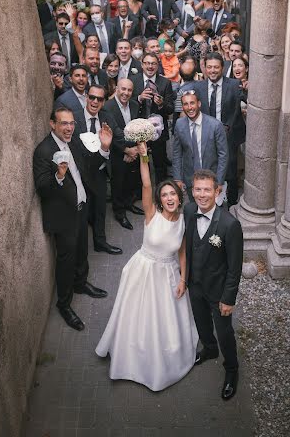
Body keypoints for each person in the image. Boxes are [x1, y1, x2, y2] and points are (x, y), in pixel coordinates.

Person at [96, 141, 198, 391]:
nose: (169, 198)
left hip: (168, 275)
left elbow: (183, 253)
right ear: (159, 201)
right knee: (137, 316)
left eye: (172, 193)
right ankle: (130, 358)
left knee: (165, 320)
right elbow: (147, 184)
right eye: (164, 195)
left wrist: (184, 280)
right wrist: (143, 158)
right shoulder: (151, 213)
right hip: (142, 271)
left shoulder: (184, 222)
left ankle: (165, 361)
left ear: (178, 196)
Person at [33, 107, 111, 330]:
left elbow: (89, 167)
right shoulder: (43, 151)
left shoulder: (74, 141)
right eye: (64, 123)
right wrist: (58, 175)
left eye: (71, 123)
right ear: (52, 124)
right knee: (66, 259)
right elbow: (42, 189)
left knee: (82, 249)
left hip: (81, 205)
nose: (69, 128)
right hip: (63, 215)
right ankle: (64, 304)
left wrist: (104, 148)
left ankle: (80, 283)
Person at [184, 169, 243, 400]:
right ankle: (209, 348)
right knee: (201, 322)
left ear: (217, 191)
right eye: (197, 189)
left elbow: (234, 267)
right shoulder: (189, 211)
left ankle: (231, 369)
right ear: (192, 191)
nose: (202, 194)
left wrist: (228, 298)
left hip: (219, 292)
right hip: (195, 285)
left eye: (207, 189)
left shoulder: (230, 225)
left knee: (225, 332)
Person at [73, 84, 123, 255]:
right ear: (86, 97)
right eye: (92, 97)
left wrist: (139, 140)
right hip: (80, 174)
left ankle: (100, 242)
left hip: (100, 172)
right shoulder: (75, 118)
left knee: (100, 210)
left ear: (103, 101)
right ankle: (81, 251)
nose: (95, 101)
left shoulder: (107, 117)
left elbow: (119, 136)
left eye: (99, 99)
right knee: (82, 213)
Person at [193, 53, 246, 207]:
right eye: (209, 67)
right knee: (209, 167)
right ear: (205, 68)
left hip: (229, 134)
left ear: (222, 68)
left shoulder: (235, 85)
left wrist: (227, 127)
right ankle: (209, 201)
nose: (212, 70)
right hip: (206, 134)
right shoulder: (199, 87)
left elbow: (242, 105)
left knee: (230, 169)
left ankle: (231, 202)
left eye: (216, 67)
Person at [173, 91, 228, 201]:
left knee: (212, 212)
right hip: (190, 179)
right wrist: (177, 178)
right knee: (194, 209)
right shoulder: (179, 124)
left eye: (192, 103)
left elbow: (223, 155)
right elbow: (177, 154)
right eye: (185, 104)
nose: (189, 107)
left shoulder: (215, 125)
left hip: (211, 180)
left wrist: (220, 181)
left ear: (199, 104)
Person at [103, 78, 143, 229]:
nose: (126, 93)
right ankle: (119, 212)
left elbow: (137, 127)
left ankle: (129, 204)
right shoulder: (108, 107)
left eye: (129, 90)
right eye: (123, 89)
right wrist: (126, 151)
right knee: (118, 183)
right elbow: (110, 134)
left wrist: (134, 150)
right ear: (117, 89)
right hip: (117, 153)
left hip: (132, 151)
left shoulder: (134, 104)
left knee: (130, 180)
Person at [131, 53, 174, 183]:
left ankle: (161, 191)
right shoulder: (134, 80)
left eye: (153, 63)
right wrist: (139, 98)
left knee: (159, 164)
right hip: (139, 131)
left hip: (158, 132)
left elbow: (170, 108)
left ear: (157, 65)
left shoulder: (165, 82)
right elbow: (127, 105)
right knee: (142, 163)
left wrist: (161, 104)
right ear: (142, 65)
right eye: (147, 63)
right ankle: (141, 194)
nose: (150, 66)